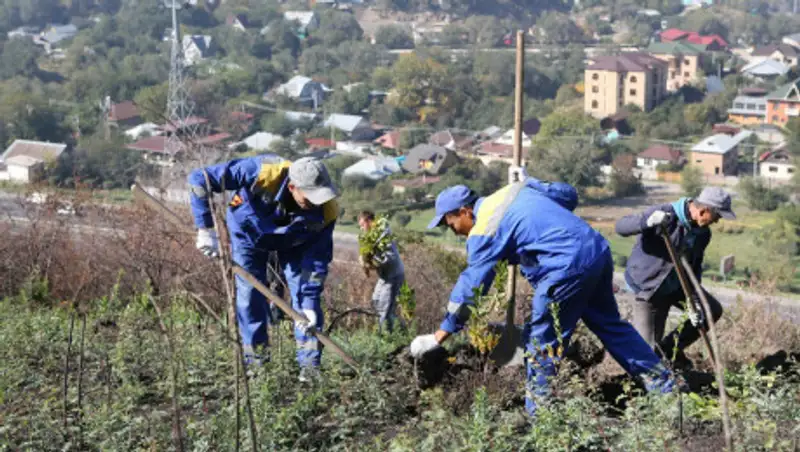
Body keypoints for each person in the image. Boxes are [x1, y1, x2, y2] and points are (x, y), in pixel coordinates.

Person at [409, 175, 675, 415]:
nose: (452, 230)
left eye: (450, 222)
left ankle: (541, 417)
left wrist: (439, 335)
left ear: (465, 211)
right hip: (595, 251)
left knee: (541, 342)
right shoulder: (516, 189)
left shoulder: (484, 230)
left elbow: (471, 288)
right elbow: (568, 195)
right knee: (612, 327)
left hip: (564, 267)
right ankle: (666, 391)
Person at [188, 155, 340, 381]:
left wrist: (308, 301)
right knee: (250, 295)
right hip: (248, 235)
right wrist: (205, 229)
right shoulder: (261, 172)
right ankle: (256, 364)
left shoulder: (327, 211)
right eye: (310, 197)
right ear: (292, 186)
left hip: (294, 241)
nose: (316, 202)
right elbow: (199, 179)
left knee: (305, 302)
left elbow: (316, 260)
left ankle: (309, 367)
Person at [615, 186, 730, 368]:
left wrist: (694, 301)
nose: (716, 221)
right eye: (717, 216)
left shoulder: (703, 233)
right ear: (704, 210)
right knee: (646, 352)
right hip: (650, 288)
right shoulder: (664, 214)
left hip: (678, 286)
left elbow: (694, 266)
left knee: (710, 310)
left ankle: (667, 351)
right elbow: (621, 227)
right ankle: (649, 368)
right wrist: (647, 222)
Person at [357, 210, 406, 334]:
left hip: (393, 276)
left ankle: (388, 335)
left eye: (362, 225)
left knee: (384, 309)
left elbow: (389, 257)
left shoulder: (383, 235)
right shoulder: (371, 237)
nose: (362, 229)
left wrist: (372, 264)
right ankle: (397, 329)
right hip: (384, 277)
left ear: (369, 221)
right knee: (376, 301)